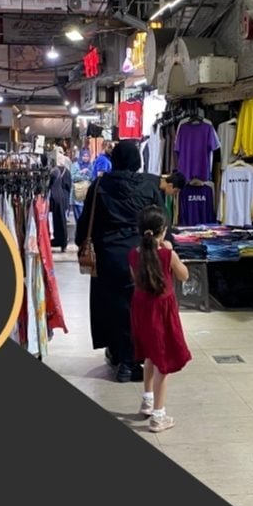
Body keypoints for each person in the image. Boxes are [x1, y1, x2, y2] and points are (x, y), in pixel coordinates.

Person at [75, 140, 167, 383]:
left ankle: (117, 353)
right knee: (138, 307)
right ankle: (130, 361)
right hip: (141, 255)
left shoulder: (99, 185)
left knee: (112, 305)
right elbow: (161, 220)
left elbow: (86, 221)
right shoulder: (149, 185)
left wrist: (81, 243)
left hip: (108, 256)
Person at [129, 205, 191, 433]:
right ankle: (158, 416)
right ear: (163, 231)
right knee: (162, 363)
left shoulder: (133, 254)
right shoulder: (167, 254)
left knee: (149, 356)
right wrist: (172, 252)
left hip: (141, 310)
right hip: (162, 312)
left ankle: (147, 400)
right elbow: (184, 275)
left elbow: (135, 279)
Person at [48, 159, 72, 252]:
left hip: (55, 198)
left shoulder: (53, 172)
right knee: (62, 220)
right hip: (63, 197)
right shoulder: (67, 172)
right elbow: (69, 186)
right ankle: (63, 242)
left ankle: (58, 240)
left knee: (56, 220)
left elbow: (49, 185)